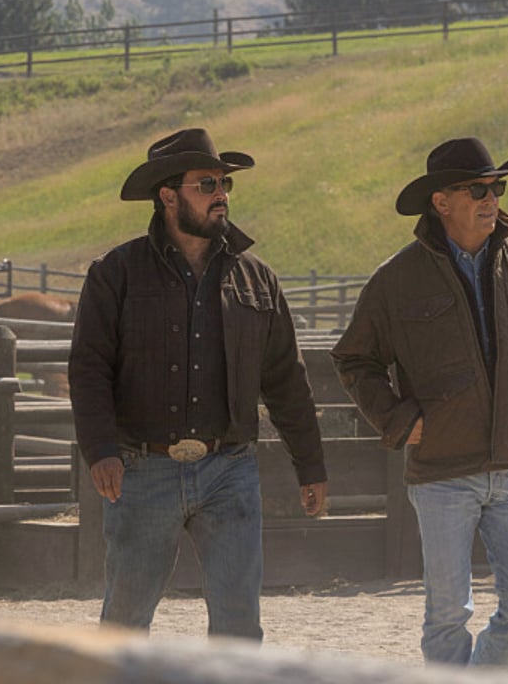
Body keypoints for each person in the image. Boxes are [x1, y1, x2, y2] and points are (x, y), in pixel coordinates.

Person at [330, 137, 508, 668]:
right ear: (441, 201)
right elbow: (354, 359)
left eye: (496, 187)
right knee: (447, 615)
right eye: (476, 189)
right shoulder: (395, 280)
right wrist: (398, 419)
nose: (490, 198)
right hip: (441, 474)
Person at [69, 127, 328, 639]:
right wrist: (100, 448)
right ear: (169, 196)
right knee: (125, 621)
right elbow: (89, 367)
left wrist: (311, 465)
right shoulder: (114, 274)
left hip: (229, 468)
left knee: (238, 625)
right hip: (141, 470)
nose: (221, 195)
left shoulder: (257, 278)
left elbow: (285, 379)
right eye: (207, 184)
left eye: (224, 184)